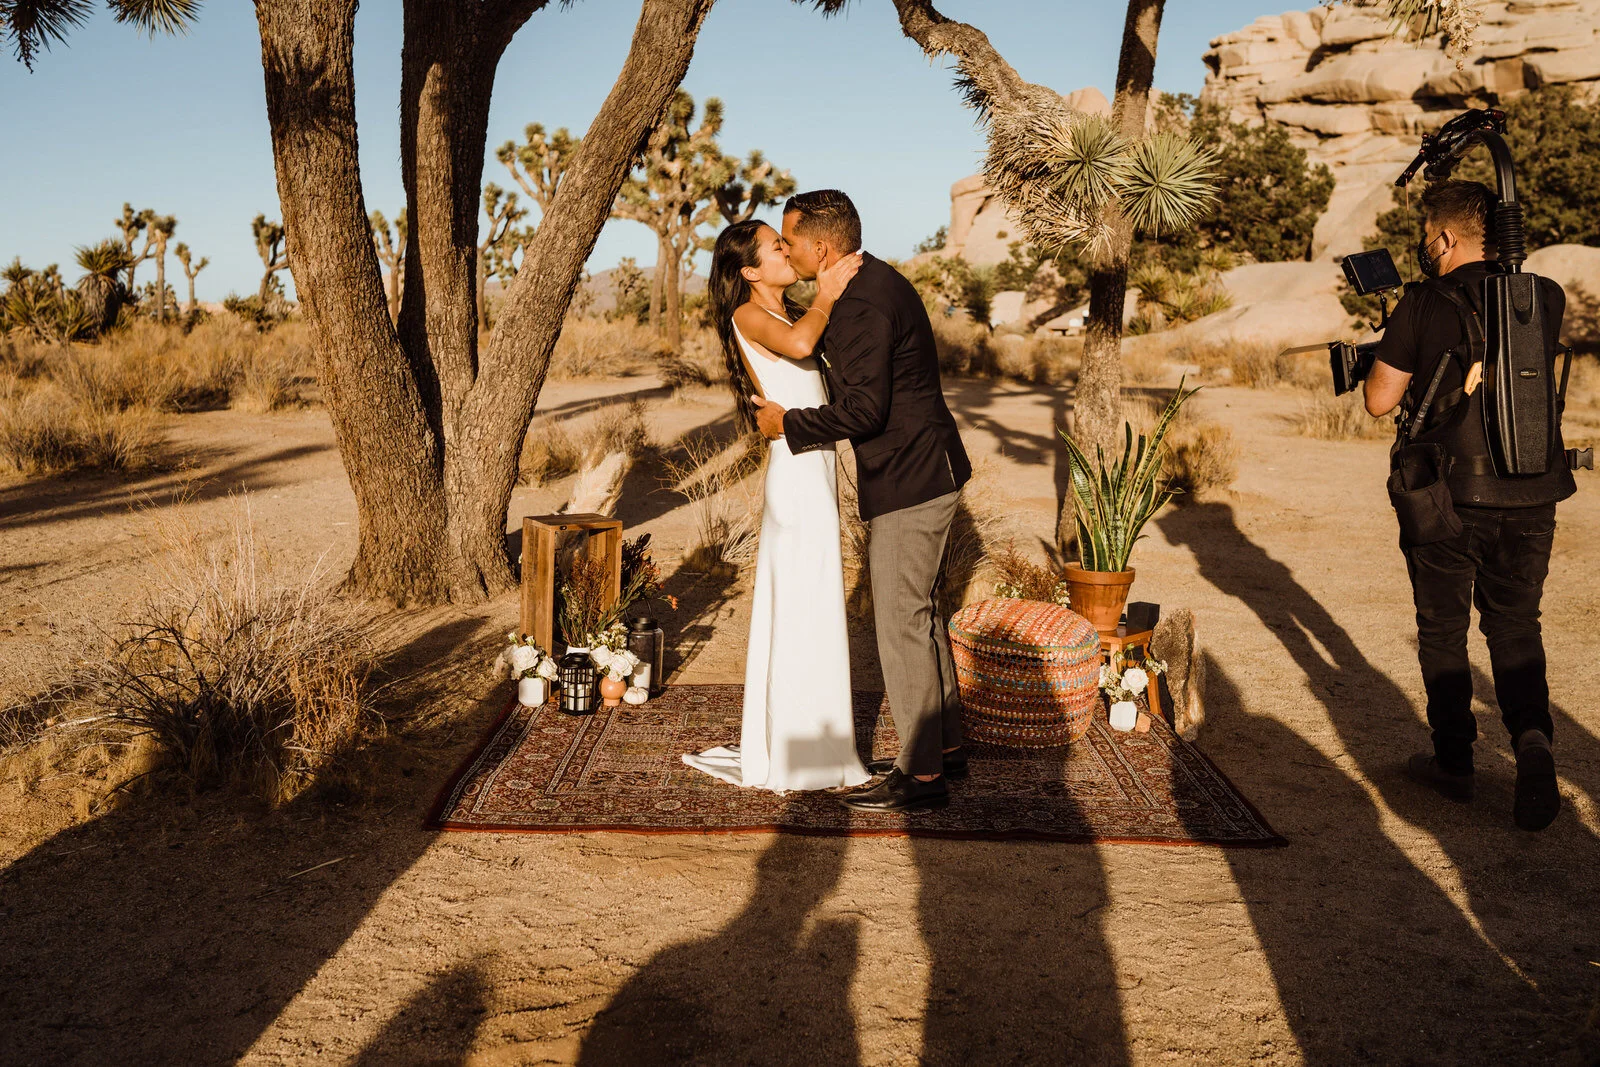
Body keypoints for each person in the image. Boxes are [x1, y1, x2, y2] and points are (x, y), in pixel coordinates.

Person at [752, 189, 973, 813]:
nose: (786, 249)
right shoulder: (868, 282)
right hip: (928, 467)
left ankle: (920, 777)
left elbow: (864, 410)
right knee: (921, 614)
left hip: (912, 477)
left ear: (822, 247)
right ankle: (944, 749)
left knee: (902, 620)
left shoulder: (864, 306)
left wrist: (788, 425)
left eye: (790, 241)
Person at [1364, 179, 1574, 831]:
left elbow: (1378, 399)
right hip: (1534, 490)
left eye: (1429, 235)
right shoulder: (1545, 296)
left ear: (1446, 237)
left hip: (1448, 493)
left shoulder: (1423, 302)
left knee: (1443, 627)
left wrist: (1390, 347)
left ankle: (1454, 763)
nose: (1425, 246)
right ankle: (1533, 739)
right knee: (1516, 623)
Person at [680, 218, 870, 792]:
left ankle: (819, 734)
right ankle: (792, 744)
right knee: (799, 596)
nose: (787, 252)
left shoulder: (789, 310)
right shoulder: (750, 314)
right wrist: (829, 293)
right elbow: (801, 346)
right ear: (750, 271)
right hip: (794, 473)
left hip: (813, 463)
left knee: (816, 595)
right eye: (775, 247)